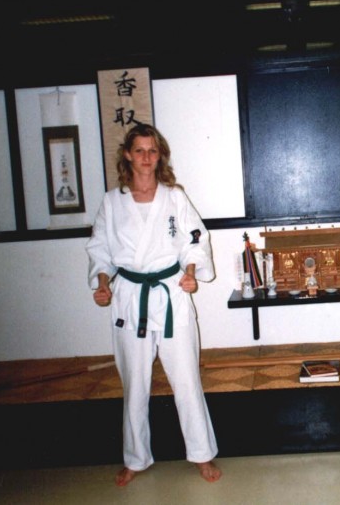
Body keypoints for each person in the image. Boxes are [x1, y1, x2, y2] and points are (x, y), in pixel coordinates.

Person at [85, 123, 221, 486]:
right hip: (130, 298)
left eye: (153, 151)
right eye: (140, 150)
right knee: (135, 384)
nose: (146, 157)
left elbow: (195, 239)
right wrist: (103, 283)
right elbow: (100, 249)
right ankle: (136, 458)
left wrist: (190, 272)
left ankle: (202, 454)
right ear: (128, 155)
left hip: (171, 293)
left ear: (160, 156)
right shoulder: (112, 202)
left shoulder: (174, 197)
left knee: (186, 380)